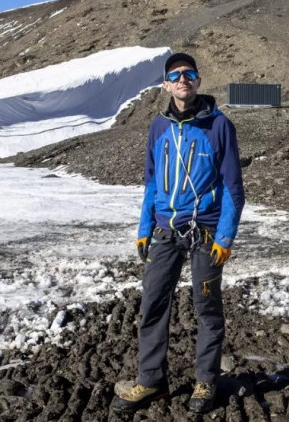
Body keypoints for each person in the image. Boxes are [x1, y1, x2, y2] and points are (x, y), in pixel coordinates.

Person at [112, 52, 245, 414]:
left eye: (190, 73)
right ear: (166, 84)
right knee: (153, 304)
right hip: (166, 231)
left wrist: (225, 237)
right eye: (175, 75)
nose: (183, 79)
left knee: (206, 309)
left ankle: (206, 380)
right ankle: (152, 381)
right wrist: (144, 229)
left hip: (205, 232)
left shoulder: (219, 126)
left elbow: (234, 187)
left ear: (198, 81)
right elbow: (152, 183)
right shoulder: (158, 126)